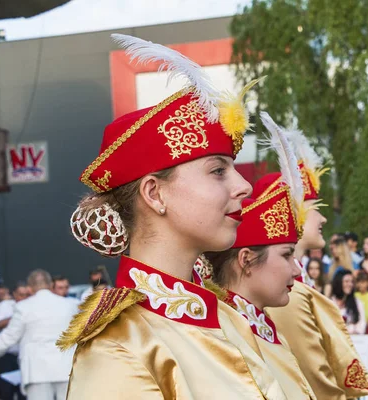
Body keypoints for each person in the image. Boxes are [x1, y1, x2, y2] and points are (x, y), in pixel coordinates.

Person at [53, 35, 287, 399]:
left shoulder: (229, 317)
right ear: (154, 193)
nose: (244, 186)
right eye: (217, 171)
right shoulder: (118, 347)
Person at [257, 124, 368, 399]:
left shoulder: (296, 281)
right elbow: (313, 374)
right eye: (315, 210)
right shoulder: (285, 291)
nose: (322, 219)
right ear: (292, 214)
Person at [204, 122, 316, 398]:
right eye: (287, 255)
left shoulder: (258, 324)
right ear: (246, 260)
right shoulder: (227, 334)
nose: (296, 267)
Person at [0, 270, 79, 400]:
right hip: (66, 368)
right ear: (51, 285)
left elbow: (9, 337)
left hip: (37, 371)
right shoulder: (71, 305)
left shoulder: (24, 307)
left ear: (29, 288)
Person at [331, 270, 366, 334]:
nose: (350, 284)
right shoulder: (330, 302)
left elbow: (361, 325)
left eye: (352, 282)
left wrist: (349, 329)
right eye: (346, 281)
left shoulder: (357, 303)